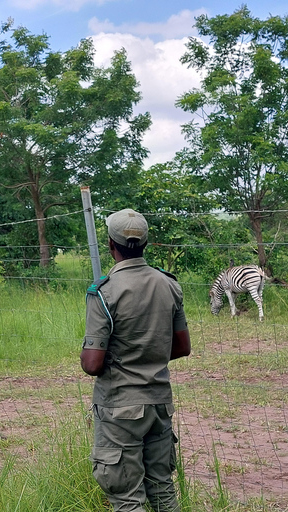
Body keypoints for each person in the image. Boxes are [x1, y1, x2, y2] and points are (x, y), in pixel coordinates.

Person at [81, 208, 191, 512]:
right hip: (159, 400)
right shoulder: (169, 284)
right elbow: (182, 347)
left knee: (126, 496)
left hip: (120, 406)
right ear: (145, 244)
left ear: (111, 245)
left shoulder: (104, 292)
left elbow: (92, 364)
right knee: (162, 488)